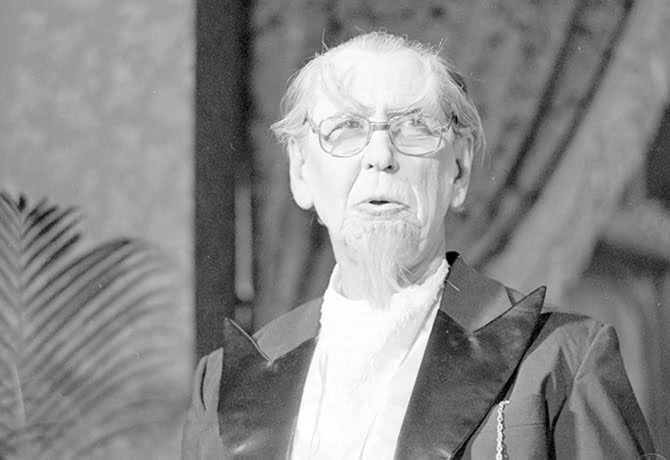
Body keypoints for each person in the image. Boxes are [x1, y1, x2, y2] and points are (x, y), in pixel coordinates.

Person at [182, 31, 655, 459]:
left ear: (459, 170)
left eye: (414, 126)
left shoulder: (560, 358)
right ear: (301, 172)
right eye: (346, 128)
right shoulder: (223, 384)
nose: (380, 156)